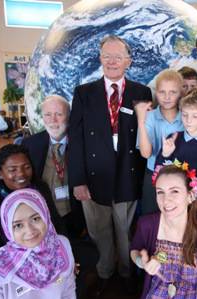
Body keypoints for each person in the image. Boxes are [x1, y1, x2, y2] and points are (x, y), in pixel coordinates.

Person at [68, 35, 152, 297]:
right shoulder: (84, 93)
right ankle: (105, 273)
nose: (112, 61)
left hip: (129, 175)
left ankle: (126, 275)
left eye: (118, 56)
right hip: (93, 179)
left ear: (128, 61)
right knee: (99, 232)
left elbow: (146, 135)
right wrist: (78, 180)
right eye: (107, 56)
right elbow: (76, 139)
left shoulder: (142, 92)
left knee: (127, 232)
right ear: (100, 59)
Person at [130, 164, 197, 299]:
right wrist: (142, 262)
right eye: (160, 192)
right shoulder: (146, 224)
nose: (165, 199)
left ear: (190, 196)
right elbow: (134, 250)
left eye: (174, 191)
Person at [0, 188, 76, 299]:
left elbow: (68, 291)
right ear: (8, 230)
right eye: (18, 225)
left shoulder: (61, 246)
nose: (30, 231)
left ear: (46, 215)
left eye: (35, 219)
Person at [0, 144, 65, 261]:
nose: (21, 174)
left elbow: (56, 223)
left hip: (52, 256)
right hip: (18, 269)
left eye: (26, 167)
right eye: (13, 170)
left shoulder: (41, 189)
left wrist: (64, 255)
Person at [22, 95, 84, 236]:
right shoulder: (30, 145)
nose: (53, 120)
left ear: (68, 116)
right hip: (43, 216)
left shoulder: (82, 143)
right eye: (48, 114)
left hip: (76, 216)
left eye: (59, 114)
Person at [155, 89, 197, 216]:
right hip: (176, 205)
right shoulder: (173, 139)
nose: (188, 120)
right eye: (184, 115)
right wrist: (165, 154)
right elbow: (159, 172)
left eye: (195, 116)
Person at [135, 69, 184, 215]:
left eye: (173, 92)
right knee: (151, 215)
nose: (167, 97)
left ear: (180, 93)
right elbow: (145, 153)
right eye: (162, 92)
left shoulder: (186, 116)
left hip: (181, 174)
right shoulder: (149, 117)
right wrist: (141, 121)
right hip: (153, 174)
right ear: (156, 93)